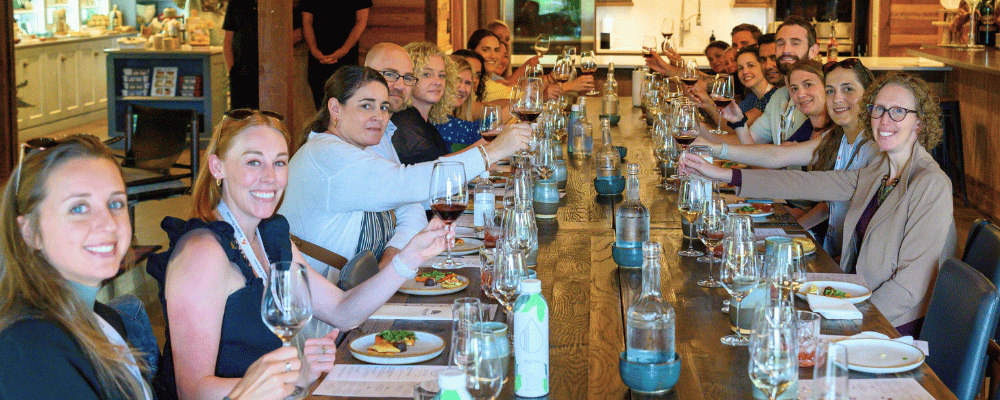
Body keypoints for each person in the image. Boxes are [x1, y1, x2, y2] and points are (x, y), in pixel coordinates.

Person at [146, 108, 452, 400]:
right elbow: (193, 392)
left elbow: (343, 311)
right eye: (253, 162)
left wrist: (410, 258)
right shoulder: (202, 253)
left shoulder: (268, 235)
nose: (270, 177)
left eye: (279, 163)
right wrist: (295, 378)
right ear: (218, 167)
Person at [683, 72, 956, 334]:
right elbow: (806, 183)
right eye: (878, 109)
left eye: (898, 112)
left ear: (920, 123)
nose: (884, 120)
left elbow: (909, 291)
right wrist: (722, 174)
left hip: (890, 324)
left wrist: (842, 321)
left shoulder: (930, 184)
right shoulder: (880, 169)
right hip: (856, 302)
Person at [281, 66, 530, 274]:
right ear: (336, 108)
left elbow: (409, 204)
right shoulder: (327, 153)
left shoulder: (362, 148)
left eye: (384, 107)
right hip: (317, 310)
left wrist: (392, 257)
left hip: (358, 290)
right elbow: (409, 183)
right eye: (366, 106)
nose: (379, 116)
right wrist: (492, 152)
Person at [0, 135, 160, 399]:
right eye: (78, 208)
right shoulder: (28, 349)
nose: (108, 223)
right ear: (29, 232)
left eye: (116, 203)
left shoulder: (104, 318)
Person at [705, 16, 817, 145]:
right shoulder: (777, 97)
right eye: (780, 44)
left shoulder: (821, 93)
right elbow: (752, 145)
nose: (786, 50)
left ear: (813, 51)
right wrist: (738, 123)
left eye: (795, 43)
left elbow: (784, 157)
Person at [390, 42, 456, 165]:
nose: (438, 81)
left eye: (442, 75)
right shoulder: (404, 119)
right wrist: (485, 150)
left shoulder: (426, 123)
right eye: (427, 74)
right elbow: (435, 167)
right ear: (409, 78)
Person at [302, 0, 371, 109]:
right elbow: (306, 22)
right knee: (322, 107)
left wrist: (344, 49)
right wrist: (314, 50)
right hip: (318, 60)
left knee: (346, 104)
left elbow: (361, 21)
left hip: (347, 58)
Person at [436, 55, 489, 147]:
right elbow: (474, 133)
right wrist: (516, 106)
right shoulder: (436, 118)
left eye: (468, 83)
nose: (463, 89)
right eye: (457, 80)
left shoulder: (454, 116)